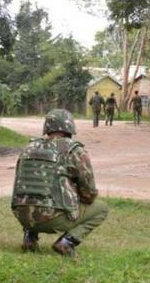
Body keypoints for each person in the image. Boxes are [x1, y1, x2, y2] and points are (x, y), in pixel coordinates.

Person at [11, 109, 109, 257]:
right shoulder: (75, 151)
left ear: (47, 127)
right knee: (101, 208)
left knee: (34, 193)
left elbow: (21, 183)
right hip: (53, 217)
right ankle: (67, 242)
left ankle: (29, 237)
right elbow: (89, 193)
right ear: (70, 127)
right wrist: (76, 196)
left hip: (22, 215)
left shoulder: (28, 148)